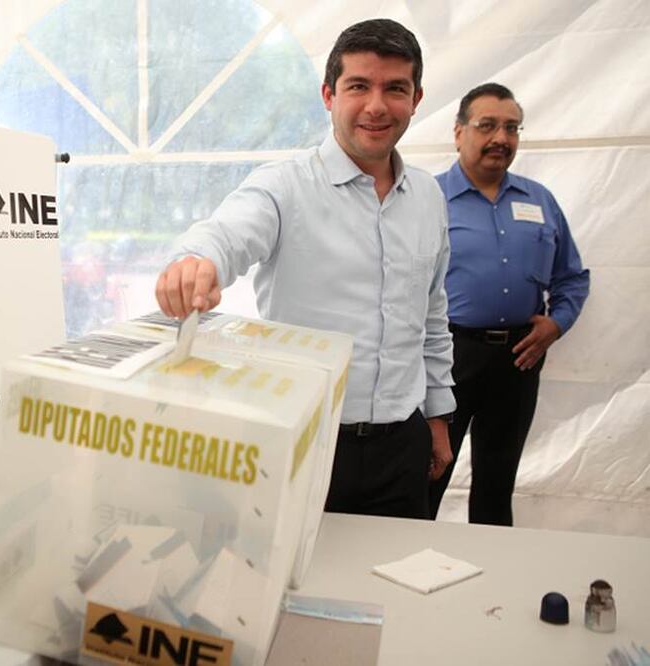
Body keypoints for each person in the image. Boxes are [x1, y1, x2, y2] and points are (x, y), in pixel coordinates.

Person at [154, 19, 455, 520]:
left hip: (403, 445)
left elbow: (432, 313)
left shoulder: (428, 196)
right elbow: (227, 233)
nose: (377, 106)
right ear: (328, 94)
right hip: (304, 443)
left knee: (392, 585)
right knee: (294, 590)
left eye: (394, 89)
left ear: (417, 98)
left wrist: (439, 415)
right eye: (358, 86)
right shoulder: (284, 187)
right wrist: (196, 261)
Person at [429, 83, 590, 525]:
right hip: (447, 355)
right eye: (487, 126)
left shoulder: (539, 200)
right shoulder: (427, 199)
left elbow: (572, 277)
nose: (501, 137)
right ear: (458, 132)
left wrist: (556, 324)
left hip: (519, 359)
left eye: (512, 128)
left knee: (497, 485)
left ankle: (490, 582)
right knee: (428, 474)